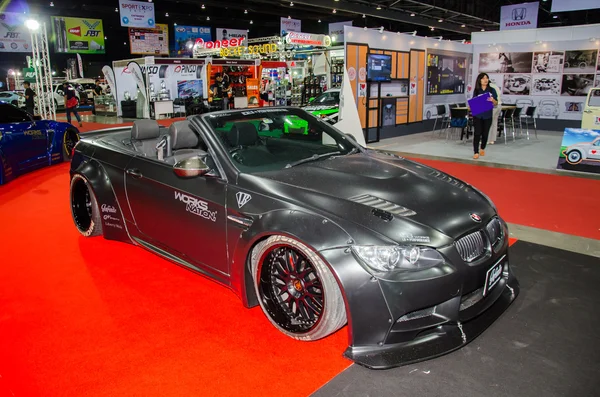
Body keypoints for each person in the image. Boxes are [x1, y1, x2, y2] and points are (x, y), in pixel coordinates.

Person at [471, 73, 498, 159]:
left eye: (486, 78)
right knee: (477, 133)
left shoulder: (492, 90)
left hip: (487, 115)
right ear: (479, 80)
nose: (485, 80)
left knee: (485, 133)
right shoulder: (476, 90)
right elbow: (474, 102)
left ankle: (482, 148)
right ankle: (476, 152)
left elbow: (496, 102)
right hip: (478, 115)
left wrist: (493, 100)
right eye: (483, 78)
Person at [487, 81, 502, 145]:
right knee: (494, 123)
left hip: (493, 106)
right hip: (499, 105)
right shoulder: (495, 86)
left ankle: (488, 140)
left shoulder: (489, 87)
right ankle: (492, 140)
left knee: (488, 123)